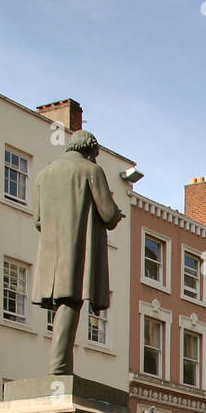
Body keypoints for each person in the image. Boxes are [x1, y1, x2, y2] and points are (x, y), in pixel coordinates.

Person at [32, 129, 125, 376]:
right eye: (96, 153)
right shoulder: (91, 171)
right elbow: (107, 213)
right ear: (91, 150)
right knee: (70, 301)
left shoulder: (44, 175)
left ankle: (58, 366)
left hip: (50, 252)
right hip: (75, 249)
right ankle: (59, 368)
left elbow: (38, 220)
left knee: (61, 303)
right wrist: (117, 213)